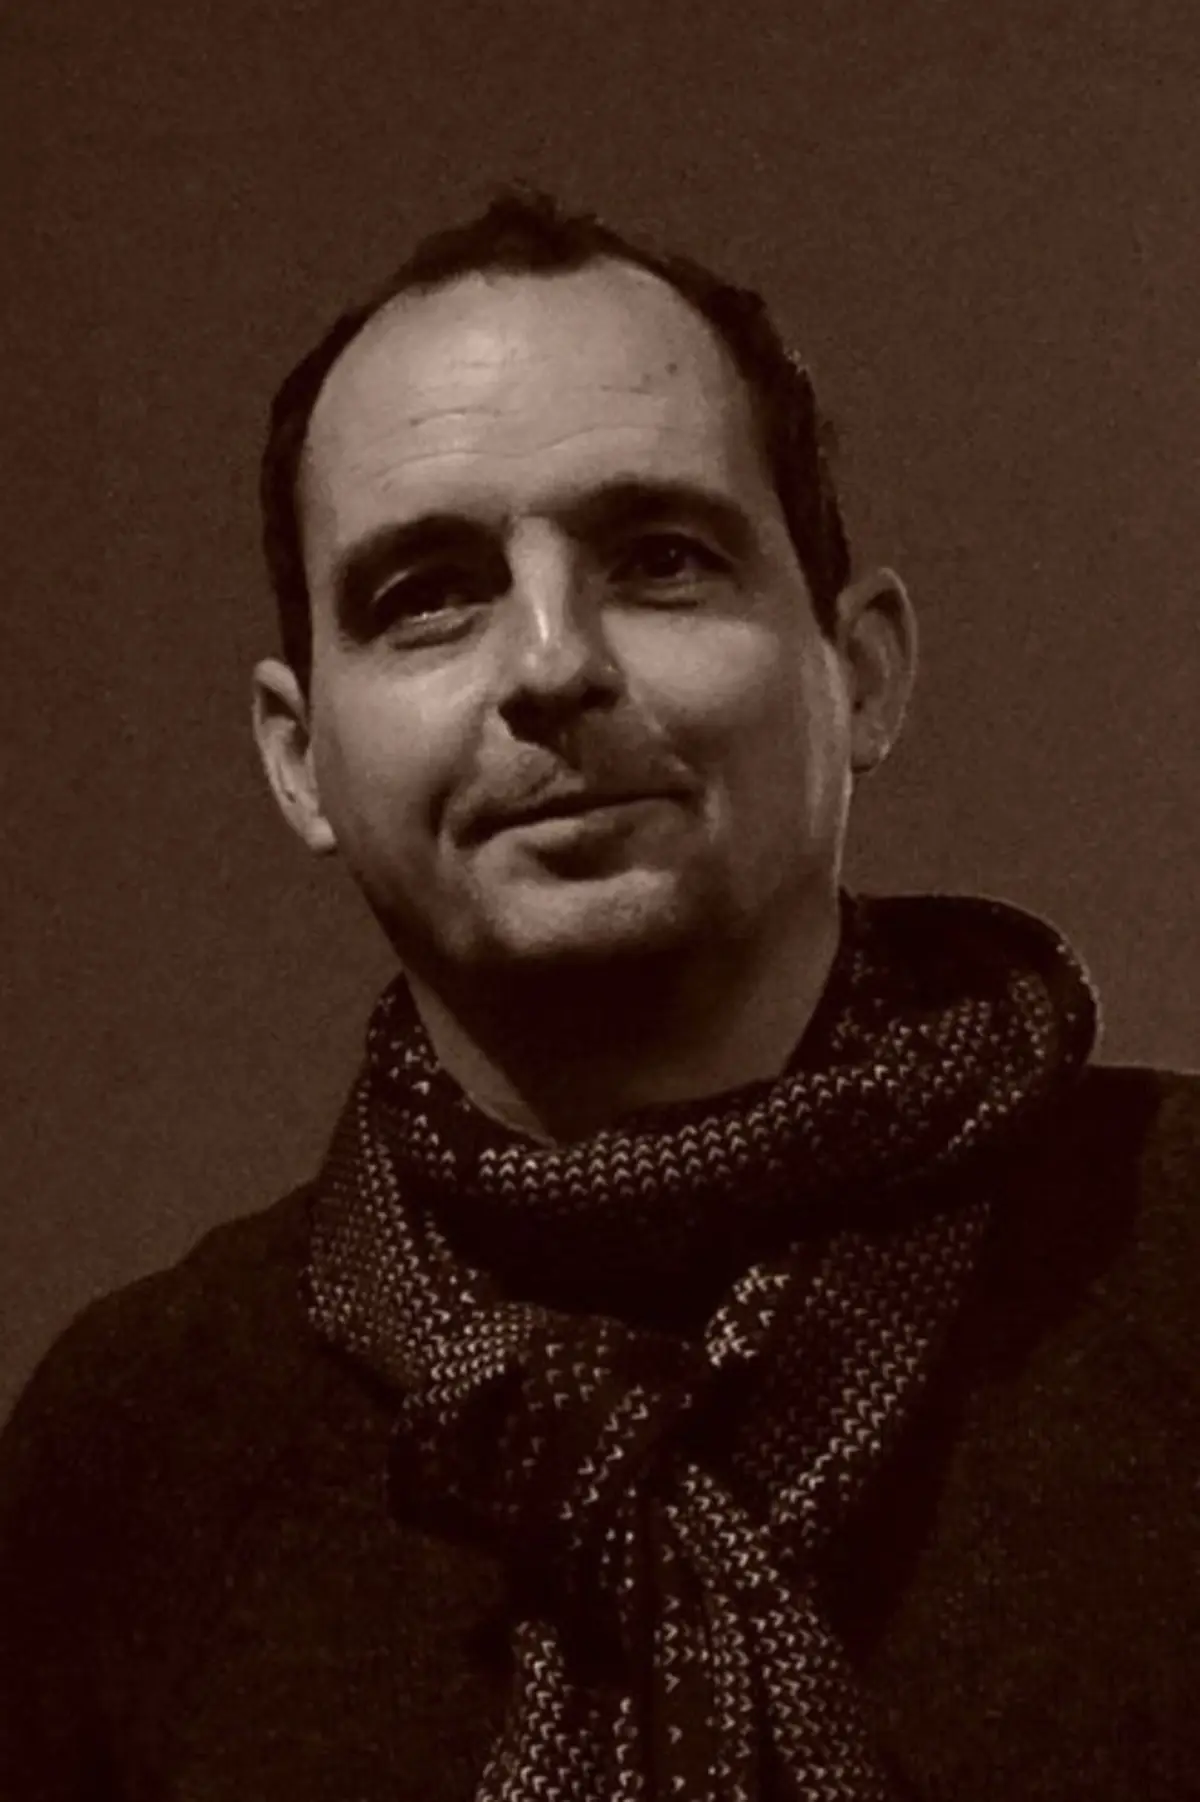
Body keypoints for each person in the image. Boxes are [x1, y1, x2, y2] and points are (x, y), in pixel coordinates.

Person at [0, 187, 1195, 1802]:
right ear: (300, 757)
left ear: (861, 672)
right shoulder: (136, 1450)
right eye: (429, 592)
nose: (551, 662)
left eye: (661, 559)